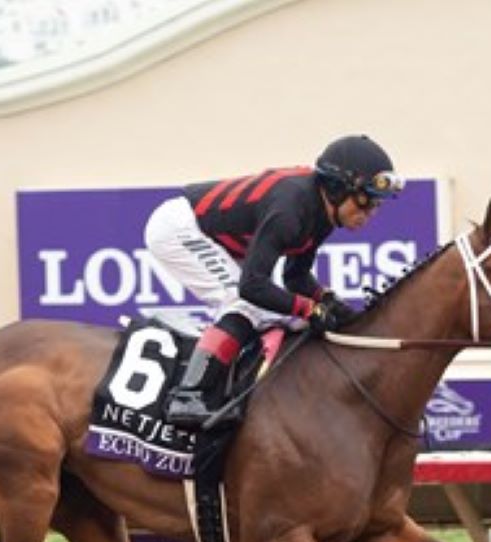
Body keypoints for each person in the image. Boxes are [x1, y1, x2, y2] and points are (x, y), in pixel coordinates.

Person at [144, 133, 404, 428]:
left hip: (212, 234)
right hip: (179, 228)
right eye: (365, 201)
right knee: (244, 304)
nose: (370, 213)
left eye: (375, 204)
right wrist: (310, 309)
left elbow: (295, 277)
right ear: (336, 188)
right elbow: (252, 286)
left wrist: (327, 300)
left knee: (277, 314)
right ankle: (187, 396)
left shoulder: (323, 212)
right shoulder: (291, 209)